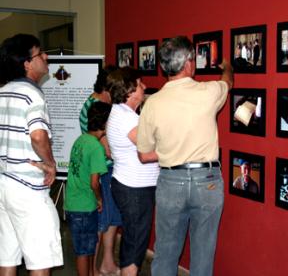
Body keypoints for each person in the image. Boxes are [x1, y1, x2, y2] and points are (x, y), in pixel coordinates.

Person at [137, 36, 233, 276]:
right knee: (203, 253)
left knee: (166, 253)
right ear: (190, 63)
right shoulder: (209, 91)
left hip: (171, 182)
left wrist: (173, 150)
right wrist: (228, 67)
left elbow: (144, 154)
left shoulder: (152, 103)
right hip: (207, 180)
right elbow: (227, 82)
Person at [0, 34, 63, 275]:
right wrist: (50, 163)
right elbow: (38, 136)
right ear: (27, 63)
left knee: (7, 257)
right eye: (40, 53)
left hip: (5, 184)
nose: (46, 57)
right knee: (39, 261)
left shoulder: (3, 92)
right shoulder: (32, 94)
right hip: (27, 188)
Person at [106, 67, 159, 276]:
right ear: (128, 90)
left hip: (132, 186)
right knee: (136, 240)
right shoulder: (127, 118)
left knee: (133, 237)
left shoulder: (124, 114)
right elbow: (149, 150)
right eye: (139, 84)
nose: (144, 87)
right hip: (134, 189)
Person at [79, 65, 122, 276]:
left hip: (111, 171)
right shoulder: (96, 107)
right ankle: (94, 269)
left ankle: (107, 262)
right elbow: (107, 149)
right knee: (100, 221)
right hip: (101, 171)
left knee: (112, 219)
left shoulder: (105, 102)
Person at [65, 102, 112, 276]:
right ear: (105, 123)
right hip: (84, 206)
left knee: (88, 247)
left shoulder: (81, 140)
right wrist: (99, 199)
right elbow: (94, 183)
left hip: (73, 203)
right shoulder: (96, 148)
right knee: (84, 252)